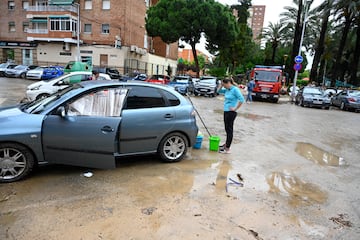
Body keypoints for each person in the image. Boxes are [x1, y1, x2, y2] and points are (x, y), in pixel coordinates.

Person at [219, 78, 245, 154]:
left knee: (229, 130)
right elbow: (218, 91)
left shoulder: (235, 89)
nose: (223, 86)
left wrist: (235, 108)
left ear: (228, 83)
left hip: (231, 112)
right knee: (226, 129)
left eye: (224, 85)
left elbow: (242, 99)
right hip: (226, 111)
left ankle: (227, 148)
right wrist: (221, 85)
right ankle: (226, 144)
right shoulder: (227, 90)